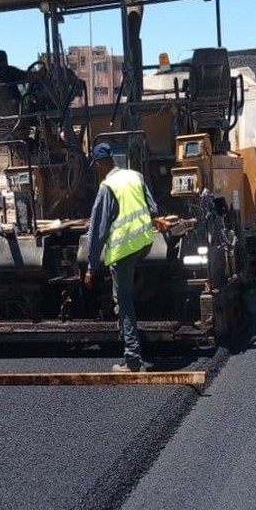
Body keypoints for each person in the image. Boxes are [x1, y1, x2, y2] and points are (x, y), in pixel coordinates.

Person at [83, 142, 163, 372]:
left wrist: (91, 266)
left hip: (124, 248)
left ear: (100, 165)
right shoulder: (135, 176)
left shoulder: (106, 187)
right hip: (144, 243)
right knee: (125, 293)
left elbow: (98, 230)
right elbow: (153, 208)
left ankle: (133, 359)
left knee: (124, 301)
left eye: (96, 166)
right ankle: (130, 346)